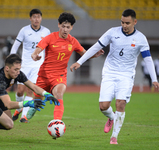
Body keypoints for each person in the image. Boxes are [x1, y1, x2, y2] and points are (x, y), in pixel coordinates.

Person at [70, 9, 159, 144]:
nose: (124, 25)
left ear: (134, 22)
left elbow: (147, 59)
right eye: (122, 22)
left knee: (120, 103)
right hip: (110, 73)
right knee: (103, 106)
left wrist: (154, 78)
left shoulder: (141, 38)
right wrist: (79, 62)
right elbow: (95, 47)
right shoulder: (112, 32)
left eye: (127, 23)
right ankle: (111, 117)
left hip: (126, 75)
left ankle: (114, 136)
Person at [27, 12, 104, 121]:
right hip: (44, 75)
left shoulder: (73, 41)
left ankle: (57, 122)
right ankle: (35, 106)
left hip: (59, 76)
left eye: (68, 27)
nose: (65, 29)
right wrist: (35, 55)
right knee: (37, 98)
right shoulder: (50, 37)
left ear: (71, 27)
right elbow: (39, 48)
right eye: (63, 26)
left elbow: (84, 55)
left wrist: (94, 55)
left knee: (59, 94)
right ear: (59, 25)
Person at [0, 54, 59, 141]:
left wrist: (47, 94)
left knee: (8, 123)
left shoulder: (17, 74)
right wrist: (28, 103)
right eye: (15, 69)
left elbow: (33, 87)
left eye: (19, 69)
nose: (18, 72)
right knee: (9, 125)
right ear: (7, 68)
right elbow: (9, 105)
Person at [10, 9, 50, 123]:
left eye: (38, 17)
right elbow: (15, 46)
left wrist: (46, 63)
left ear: (41, 18)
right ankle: (18, 109)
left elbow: (48, 49)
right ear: (30, 18)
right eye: (34, 17)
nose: (36, 19)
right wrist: (12, 61)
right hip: (24, 65)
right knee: (19, 91)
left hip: (37, 66)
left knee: (30, 91)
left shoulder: (46, 31)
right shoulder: (24, 30)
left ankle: (24, 116)